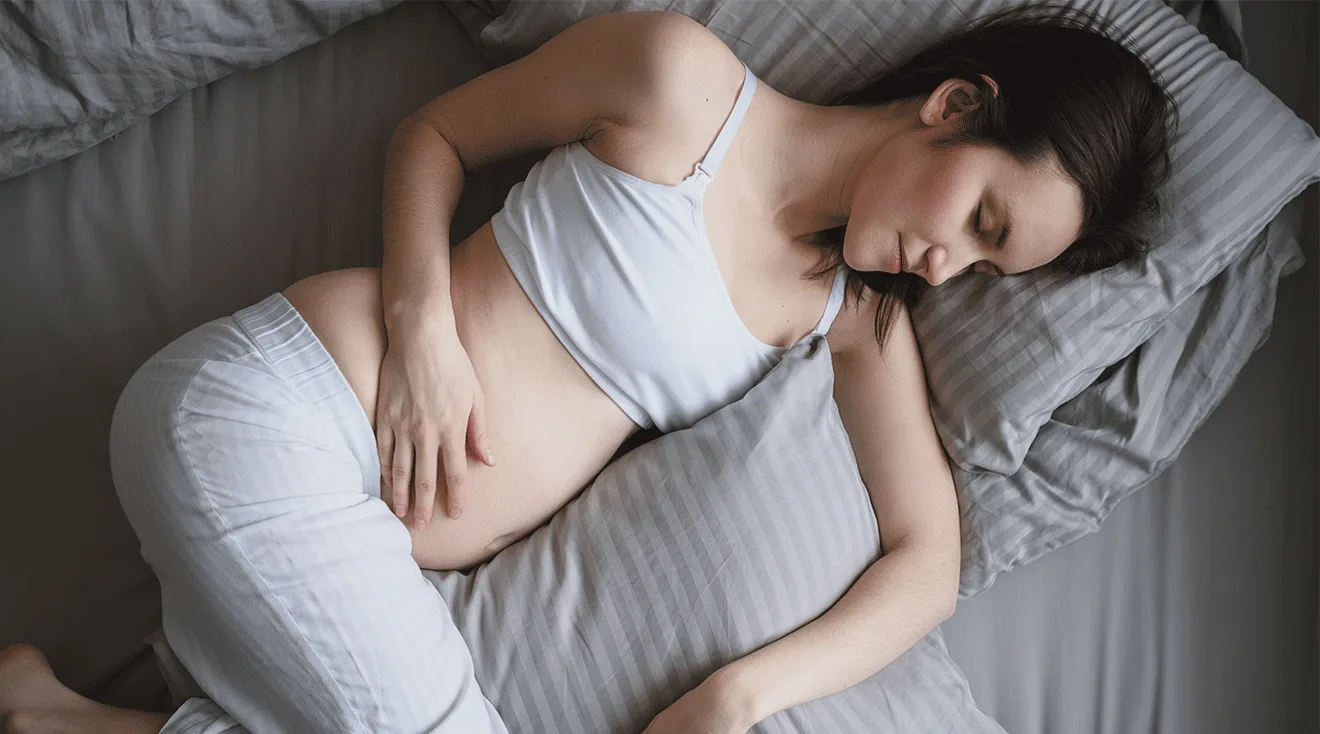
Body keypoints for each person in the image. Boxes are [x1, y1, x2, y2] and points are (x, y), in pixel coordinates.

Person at [0, 4, 1174, 732]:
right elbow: (436, 135)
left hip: (361, 556)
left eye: (985, 264)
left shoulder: (851, 323)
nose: (949, 263)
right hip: (271, 413)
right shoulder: (684, 82)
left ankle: (46, 713)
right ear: (956, 105)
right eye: (981, 217)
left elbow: (929, 564)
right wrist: (424, 334)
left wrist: (744, 693)